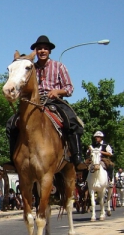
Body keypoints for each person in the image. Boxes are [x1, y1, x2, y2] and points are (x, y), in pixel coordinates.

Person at [7, 35, 86, 170]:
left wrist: (57, 92)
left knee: (72, 121)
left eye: (45, 48)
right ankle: (13, 159)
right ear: (36, 52)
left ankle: (77, 157)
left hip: (54, 102)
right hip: (34, 102)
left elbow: (69, 88)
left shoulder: (59, 66)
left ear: (49, 51)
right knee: (11, 123)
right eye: (39, 48)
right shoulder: (30, 67)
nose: (42, 51)